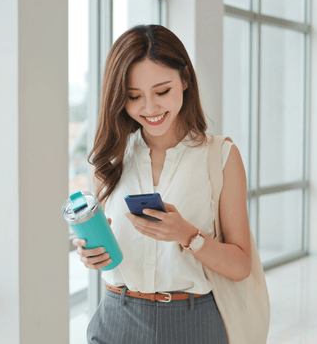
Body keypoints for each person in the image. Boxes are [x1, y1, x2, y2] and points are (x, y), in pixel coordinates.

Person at [72, 24, 252, 344]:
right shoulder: (111, 157)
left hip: (191, 323)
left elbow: (241, 266)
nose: (151, 108)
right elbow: (112, 244)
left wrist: (187, 235)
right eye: (134, 97)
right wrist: (91, 254)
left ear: (184, 80)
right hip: (117, 319)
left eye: (162, 91)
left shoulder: (221, 155)